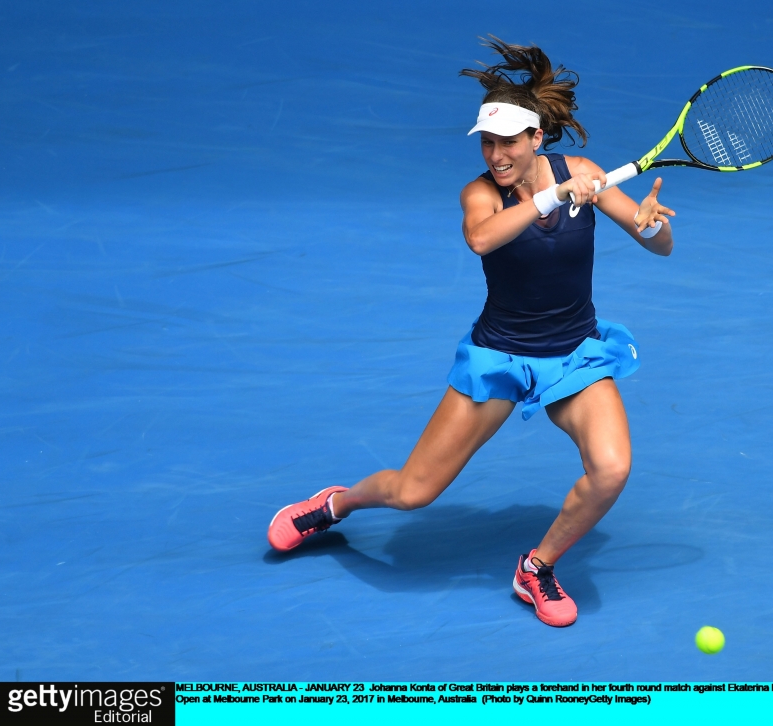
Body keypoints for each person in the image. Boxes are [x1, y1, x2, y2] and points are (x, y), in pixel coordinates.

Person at [267, 37, 674, 627]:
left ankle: (536, 568)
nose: (496, 153)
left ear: (537, 138)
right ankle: (335, 503)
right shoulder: (481, 193)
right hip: (500, 355)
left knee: (611, 469)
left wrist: (650, 225)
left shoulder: (584, 174)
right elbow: (483, 239)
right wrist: (553, 196)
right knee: (412, 493)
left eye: (508, 141)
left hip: (574, 356)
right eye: (487, 141)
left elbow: (656, 244)